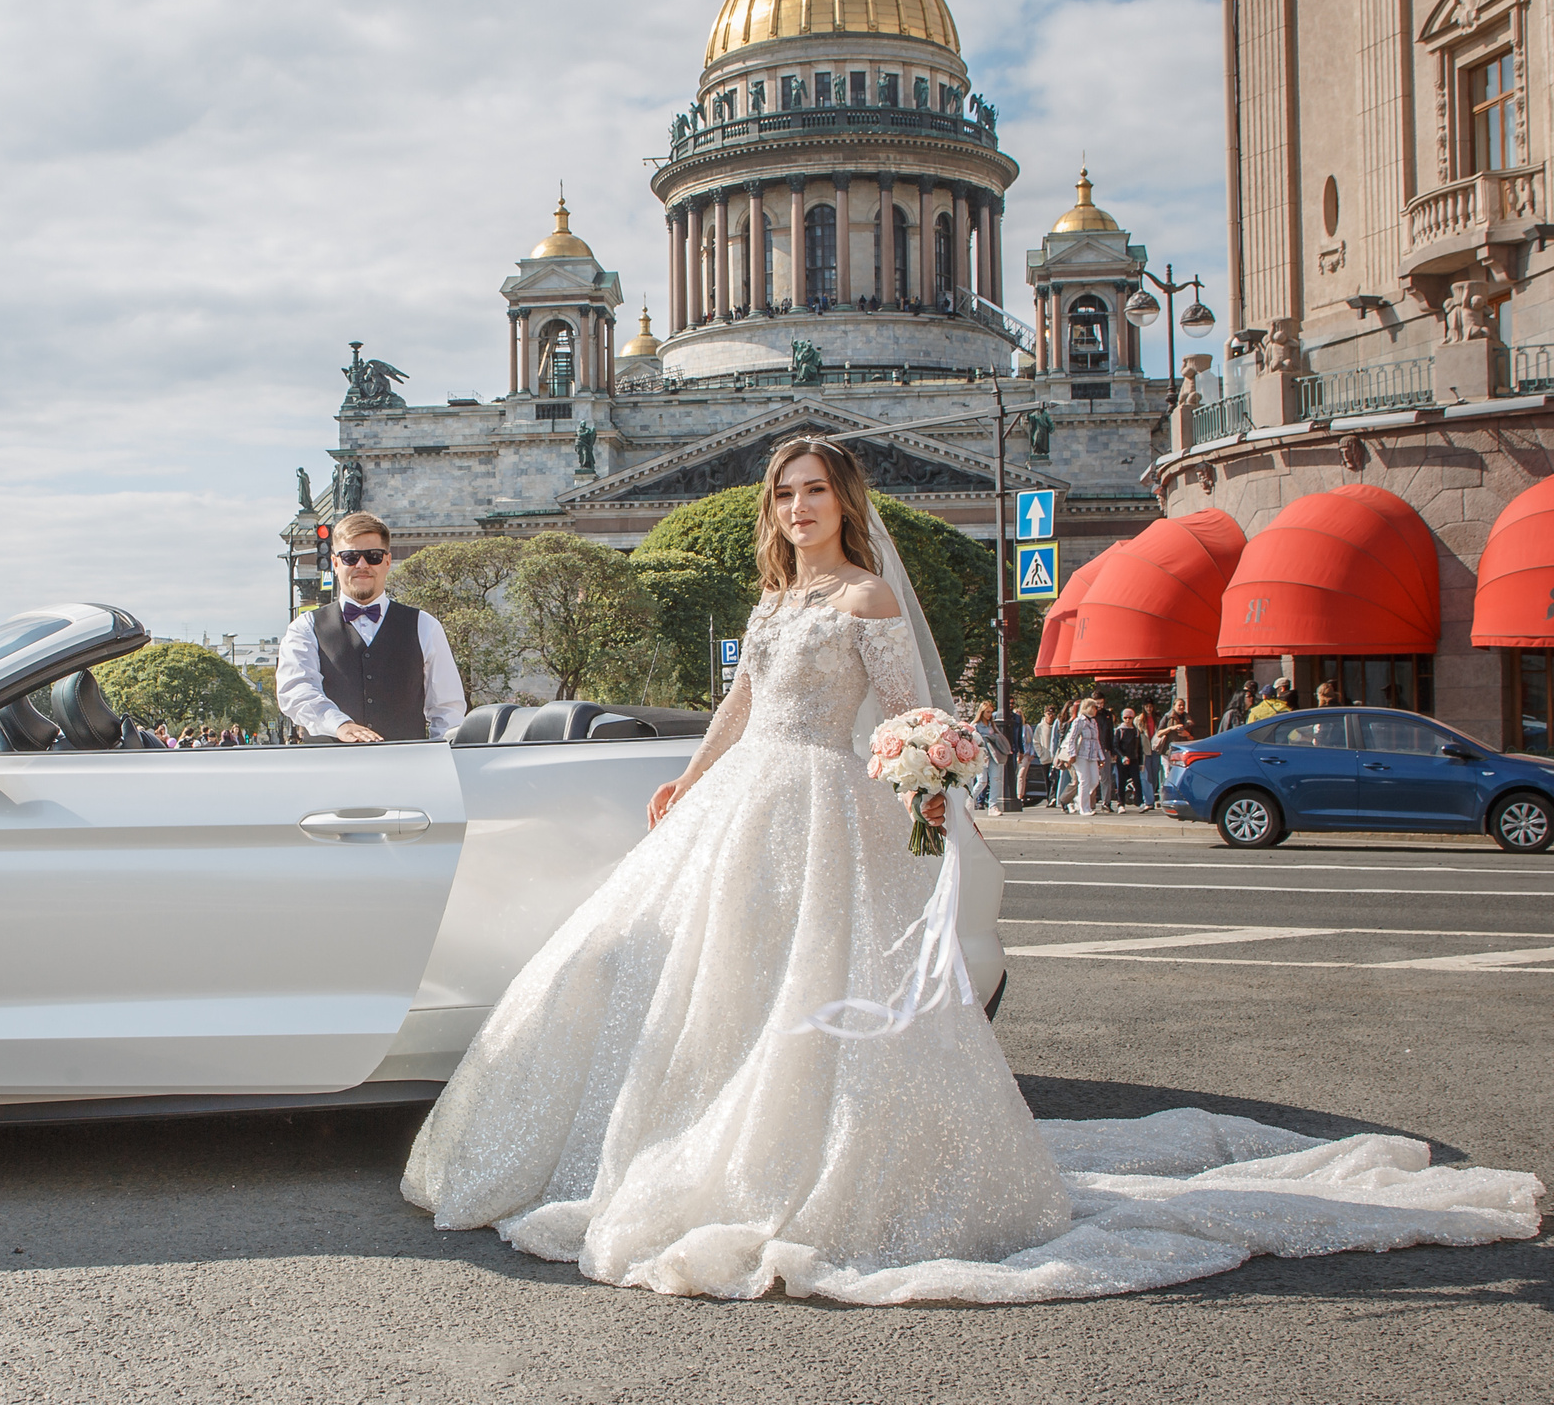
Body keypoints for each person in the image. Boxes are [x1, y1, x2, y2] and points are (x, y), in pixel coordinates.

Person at [399, 435, 1542, 1303]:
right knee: (706, 981)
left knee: (806, 988)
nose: (797, 511)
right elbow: (740, 704)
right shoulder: (775, 596)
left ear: (845, 506)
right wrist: (687, 782)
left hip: (822, 806)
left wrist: (935, 794)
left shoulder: (867, 594)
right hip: (746, 802)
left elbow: (911, 716)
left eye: (814, 494)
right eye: (783, 496)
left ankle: (803, 1165)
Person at [275, 511, 465, 742]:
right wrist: (339, 724)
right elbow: (296, 691)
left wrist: (438, 758)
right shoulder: (304, 628)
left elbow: (447, 709)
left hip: (406, 768)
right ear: (335, 563)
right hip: (328, 769)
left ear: (387, 561)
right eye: (350, 557)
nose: (362, 564)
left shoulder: (424, 626)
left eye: (373, 556)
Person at [1065, 697, 1112, 815]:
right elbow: (1072, 738)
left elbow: (1096, 741)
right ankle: (1084, 808)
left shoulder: (1093, 722)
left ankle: (1078, 799)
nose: (1097, 709)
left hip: (1092, 755)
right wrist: (1072, 754)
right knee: (1084, 780)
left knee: (1095, 780)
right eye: (1094, 707)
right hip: (1081, 754)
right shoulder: (1079, 721)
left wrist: (1101, 757)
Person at [1110, 704, 1146, 810]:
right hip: (1122, 760)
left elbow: (1139, 747)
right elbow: (1115, 745)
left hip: (1133, 759)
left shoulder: (1135, 731)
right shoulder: (1119, 730)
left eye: (1130, 717)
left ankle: (1140, 802)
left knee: (1137, 781)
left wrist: (1141, 763)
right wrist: (1122, 756)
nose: (1127, 720)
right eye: (1125, 717)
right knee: (1121, 781)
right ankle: (1121, 803)